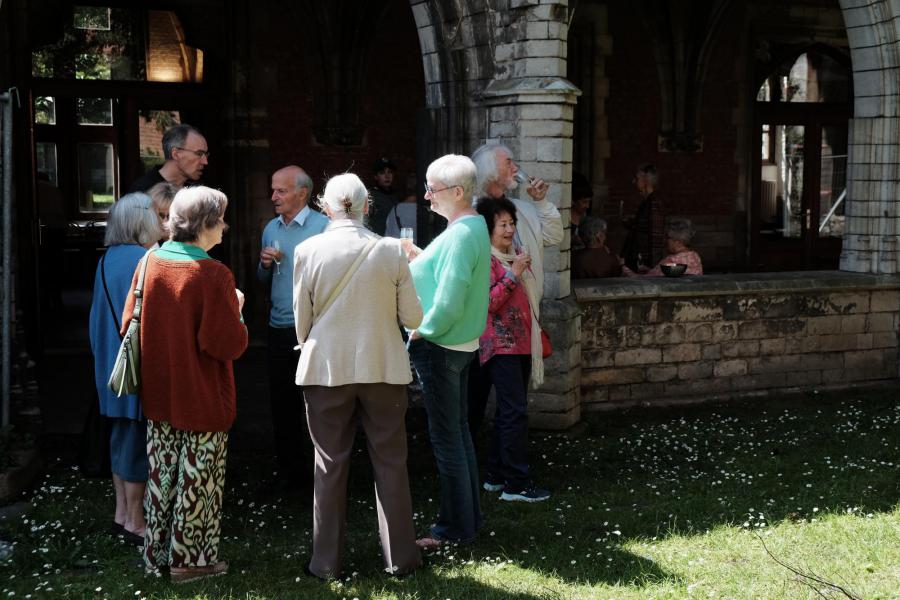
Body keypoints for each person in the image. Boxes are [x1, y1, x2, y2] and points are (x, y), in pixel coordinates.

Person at [293, 173, 423, 580]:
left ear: (324, 206)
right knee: (391, 461)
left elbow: (302, 321)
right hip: (383, 367)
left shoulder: (307, 249)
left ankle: (325, 563)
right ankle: (401, 558)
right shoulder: (391, 251)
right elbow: (413, 318)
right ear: (369, 206)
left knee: (328, 465)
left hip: (326, 366)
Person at [125, 186, 248, 583]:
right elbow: (226, 343)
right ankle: (190, 564)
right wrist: (239, 310)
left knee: (162, 478)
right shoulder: (214, 275)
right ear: (205, 224)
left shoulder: (149, 262)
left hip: (159, 393)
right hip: (203, 397)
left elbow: (129, 324)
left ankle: (157, 557)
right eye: (222, 218)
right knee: (200, 481)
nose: (226, 226)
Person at [407, 154, 491, 549]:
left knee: (447, 439)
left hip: (442, 345)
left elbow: (452, 297)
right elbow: (451, 274)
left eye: (433, 189)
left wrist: (422, 332)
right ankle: (468, 520)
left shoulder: (460, 232)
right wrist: (421, 258)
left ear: (458, 192)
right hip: (460, 344)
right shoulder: (471, 226)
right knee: (458, 435)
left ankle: (453, 530)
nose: (426, 196)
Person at [468, 143, 562, 436]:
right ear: (489, 172)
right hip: (480, 327)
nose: (516, 168)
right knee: (474, 398)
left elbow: (555, 235)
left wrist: (542, 203)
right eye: (509, 163)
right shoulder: (470, 216)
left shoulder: (522, 209)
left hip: (519, 325)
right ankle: (466, 464)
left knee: (512, 406)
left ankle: (497, 472)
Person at [88, 192, 164, 546]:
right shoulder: (146, 259)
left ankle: (121, 513)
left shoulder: (106, 259)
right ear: (142, 221)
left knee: (120, 441)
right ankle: (136, 521)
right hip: (135, 367)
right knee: (135, 443)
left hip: (110, 364)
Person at [470, 196, 550, 502]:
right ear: (487, 228)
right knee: (515, 412)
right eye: (502, 224)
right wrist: (513, 274)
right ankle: (517, 484)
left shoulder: (514, 254)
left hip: (521, 343)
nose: (509, 229)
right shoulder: (485, 260)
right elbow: (488, 303)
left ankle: (496, 476)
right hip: (500, 345)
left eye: (511, 223)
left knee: (509, 411)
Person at [258, 165, 329, 491]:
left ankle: (323, 472)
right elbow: (263, 280)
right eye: (273, 190)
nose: (273, 196)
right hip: (279, 327)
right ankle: (290, 473)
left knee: (317, 403)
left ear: (302, 193)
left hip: (314, 329)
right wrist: (264, 264)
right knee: (281, 402)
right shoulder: (271, 227)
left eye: (281, 191)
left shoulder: (324, 227)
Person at [129, 124, 209, 193]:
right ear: (176, 154)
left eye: (206, 154)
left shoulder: (198, 190)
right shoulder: (143, 191)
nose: (205, 162)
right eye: (199, 153)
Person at [620, 163, 665, 272]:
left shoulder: (654, 202)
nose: (633, 182)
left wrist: (653, 268)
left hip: (644, 264)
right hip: (638, 260)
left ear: (645, 179)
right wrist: (632, 223)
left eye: (636, 178)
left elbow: (656, 236)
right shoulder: (647, 202)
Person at [623, 218, 703, 277]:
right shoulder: (695, 257)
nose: (664, 241)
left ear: (679, 242)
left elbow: (642, 280)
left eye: (667, 237)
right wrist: (648, 269)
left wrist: (623, 267)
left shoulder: (671, 261)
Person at [368, 157, 400, 236]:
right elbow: (365, 222)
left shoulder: (394, 195)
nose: (387, 176)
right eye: (382, 173)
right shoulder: (371, 196)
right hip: (378, 241)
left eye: (390, 172)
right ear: (376, 176)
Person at [570, 172, 593, 251]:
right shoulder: (565, 217)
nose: (587, 206)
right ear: (573, 201)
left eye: (589, 202)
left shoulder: (585, 216)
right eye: (584, 202)